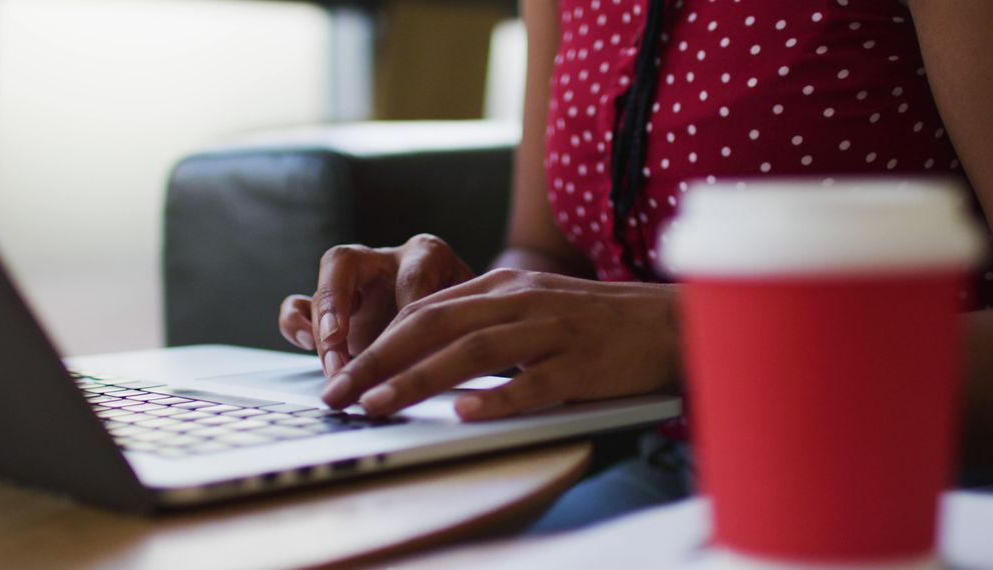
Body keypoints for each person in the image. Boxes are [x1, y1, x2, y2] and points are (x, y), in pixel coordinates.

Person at [279, 0, 993, 527]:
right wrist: (455, 317)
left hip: (914, 493)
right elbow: (547, 250)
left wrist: (694, 338)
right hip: (665, 472)